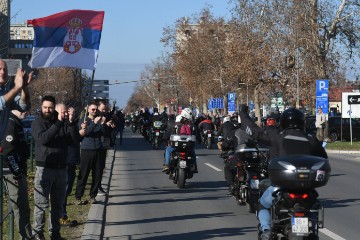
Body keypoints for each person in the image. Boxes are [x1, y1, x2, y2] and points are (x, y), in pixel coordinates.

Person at [239, 105, 327, 240]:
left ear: (283, 122)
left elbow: (254, 131)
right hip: (307, 189)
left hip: (280, 187)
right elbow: (323, 158)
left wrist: (243, 113)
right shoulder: (311, 139)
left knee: (262, 203)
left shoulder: (276, 136)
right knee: (314, 205)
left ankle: (266, 230)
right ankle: (312, 226)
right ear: (302, 122)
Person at [31, 96, 80, 240]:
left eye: (50, 108)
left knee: (57, 204)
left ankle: (55, 233)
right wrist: (59, 123)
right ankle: (38, 233)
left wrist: (71, 123)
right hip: (44, 169)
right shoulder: (37, 123)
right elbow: (43, 139)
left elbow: (74, 140)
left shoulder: (61, 123)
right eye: (45, 107)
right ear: (41, 107)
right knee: (41, 204)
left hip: (61, 169)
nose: (48, 110)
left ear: (54, 109)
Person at [1, 109, 32, 239]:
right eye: (22, 108)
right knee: (20, 206)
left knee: (21, 207)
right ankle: (25, 236)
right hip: (11, 171)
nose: (26, 111)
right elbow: (7, 150)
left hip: (16, 169)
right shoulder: (10, 122)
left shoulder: (16, 122)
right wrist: (17, 171)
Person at [59, 104, 85, 225]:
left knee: (68, 189)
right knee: (62, 190)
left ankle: (62, 214)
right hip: (60, 161)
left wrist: (71, 121)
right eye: (63, 112)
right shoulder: (56, 123)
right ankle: (62, 215)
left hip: (71, 160)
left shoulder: (71, 123)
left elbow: (75, 139)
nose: (65, 114)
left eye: (66, 112)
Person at [75, 102, 105, 205]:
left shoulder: (99, 120)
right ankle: (78, 197)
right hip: (87, 150)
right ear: (88, 110)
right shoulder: (83, 120)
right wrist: (94, 124)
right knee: (83, 174)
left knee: (97, 175)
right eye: (93, 109)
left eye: (96, 110)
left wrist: (105, 125)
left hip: (98, 149)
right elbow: (86, 133)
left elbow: (102, 132)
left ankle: (93, 196)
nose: (95, 111)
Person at [0, 59, 33, 141]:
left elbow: (23, 106)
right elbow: (1, 103)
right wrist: (17, 87)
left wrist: (24, 88)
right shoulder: (8, 94)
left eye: (5, 70)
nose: (3, 72)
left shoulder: (6, 92)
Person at [162, 108, 198, 173]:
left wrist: (165, 140)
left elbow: (169, 135)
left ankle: (167, 164)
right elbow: (196, 136)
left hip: (176, 146)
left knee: (168, 150)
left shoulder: (175, 125)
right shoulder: (192, 125)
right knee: (193, 152)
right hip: (188, 147)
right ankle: (194, 166)